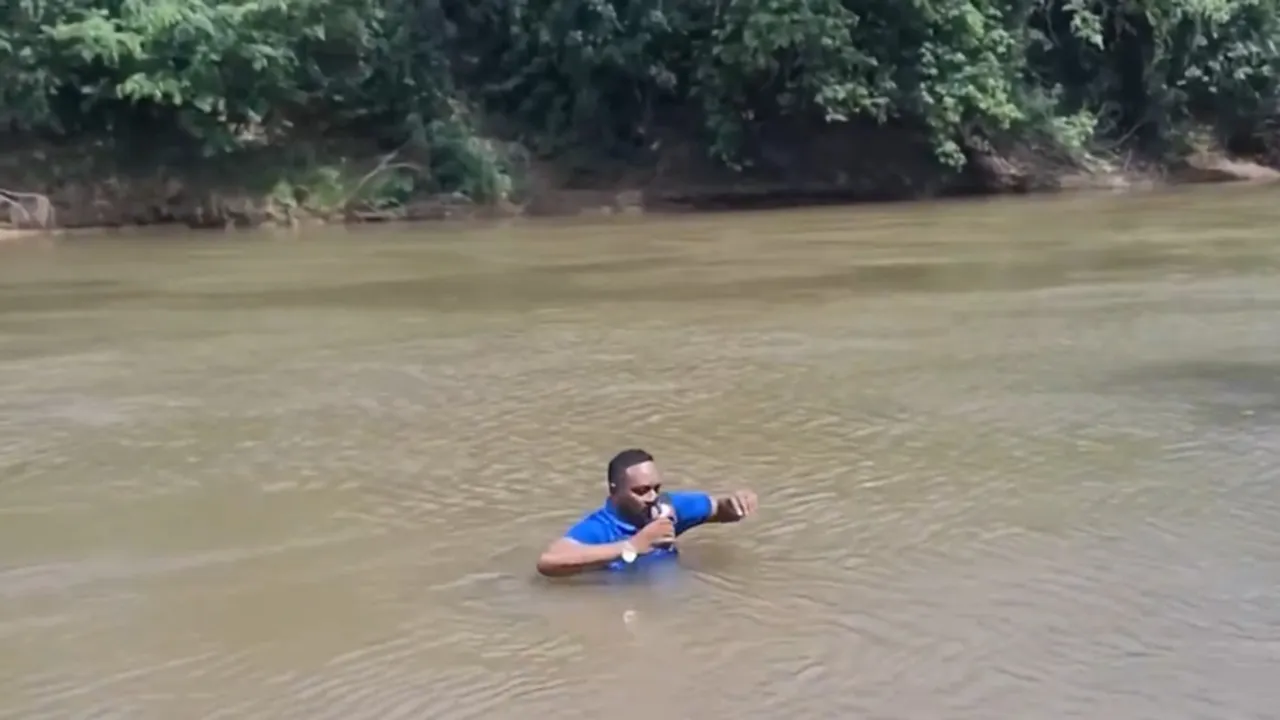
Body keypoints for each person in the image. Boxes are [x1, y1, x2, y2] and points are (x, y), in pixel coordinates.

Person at [535, 448, 759, 577]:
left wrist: (735, 504)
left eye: (656, 488)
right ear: (615, 490)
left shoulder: (667, 509)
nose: (652, 497)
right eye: (640, 491)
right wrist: (633, 546)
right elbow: (548, 562)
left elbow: (718, 509)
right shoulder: (601, 528)